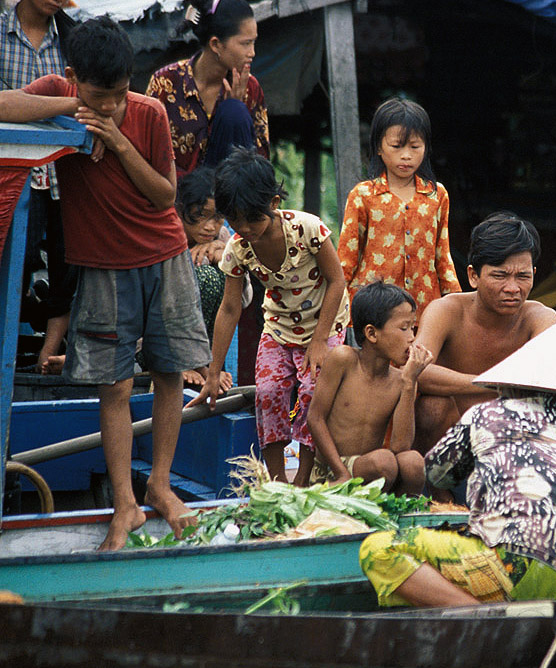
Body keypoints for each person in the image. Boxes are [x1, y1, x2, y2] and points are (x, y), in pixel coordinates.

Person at [0, 17, 212, 550]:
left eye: (120, 92)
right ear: (74, 77)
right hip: (100, 266)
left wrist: (116, 140)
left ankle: (159, 486)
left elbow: (165, 195)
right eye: (101, 95)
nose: (113, 104)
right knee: (113, 387)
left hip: (164, 257)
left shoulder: (149, 112)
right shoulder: (61, 93)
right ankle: (125, 504)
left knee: (169, 372)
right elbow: (4, 106)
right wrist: (72, 110)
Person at [359, 321, 556, 607]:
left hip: (522, 564)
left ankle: (485, 617)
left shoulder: (487, 414)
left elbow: (438, 474)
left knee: (379, 549)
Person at [186, 148, 349, 485]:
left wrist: (320, 341)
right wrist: (213, 372)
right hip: (278, 326)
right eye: (235, 221)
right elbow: (229, 308)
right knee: (269, 391)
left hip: (325, 324)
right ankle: (277, 482)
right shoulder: (237, 248)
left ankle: (302, 478)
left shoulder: (308, 229)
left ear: (273, 203)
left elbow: (337, 281)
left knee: (312, 392)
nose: (245, 228)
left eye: (252, 219)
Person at [412, 211, 556, 453]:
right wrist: (494, 385)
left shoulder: (541, 318)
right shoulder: (445, 310)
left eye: (523, 276)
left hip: (514, 439)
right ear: (473, 276)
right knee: (432, 408)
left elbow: (551, 381)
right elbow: (417, 370)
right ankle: (439, 481)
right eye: (500, 276)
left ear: (533, 274)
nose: (512, 288)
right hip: (450, 442)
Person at [1, 0, 79, 374]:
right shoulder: (2, 32)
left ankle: (47, 356)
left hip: (64, 175)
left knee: (69, 263)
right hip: (13, 175)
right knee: (14, 260)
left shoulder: (72, 36)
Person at [337, 97, 461, 320]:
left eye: (415, 147)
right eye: (396, 146)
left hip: (424, 307)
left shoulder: (437, 195)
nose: (406, 155)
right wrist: (335, 309)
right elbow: (347, 259)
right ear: (379, 147)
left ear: (426, 148)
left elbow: (442, 256)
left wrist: (457, 304)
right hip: (374, 310)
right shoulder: (363, 195)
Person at [307, 281, 432, 495]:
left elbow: (401, 447)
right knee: (384, 461)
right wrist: (341, 473)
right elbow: (315, 418)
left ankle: (398, 511)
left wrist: (409, 383)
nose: (412, 338)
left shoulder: (402, 380)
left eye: (412, 328)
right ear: (372, 334)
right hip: (331, 470)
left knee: (413, 462)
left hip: (369, 469)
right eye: (404, 328)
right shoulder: (343, 360)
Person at [145, 0, 268, 178]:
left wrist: (234, 112)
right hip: (176, 191)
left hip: (229, 191)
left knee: (234, 111)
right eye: (245, 44)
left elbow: (261, 163)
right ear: (216, 44)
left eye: (253, 43)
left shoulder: (250, 87)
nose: (252, 53)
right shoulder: (165, 83)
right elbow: (148, 154)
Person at [174, 165, 254, 390]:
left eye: (217, 217)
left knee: (216, 276)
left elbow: (244, 299)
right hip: (159, 340)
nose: (210, 227)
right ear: (181, 209)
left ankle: (204, 361)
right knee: (206, 277)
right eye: (201, 215)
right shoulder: (168, 234)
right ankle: (188, 362)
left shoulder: (222, 236)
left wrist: (224, 256)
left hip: (202, 344)